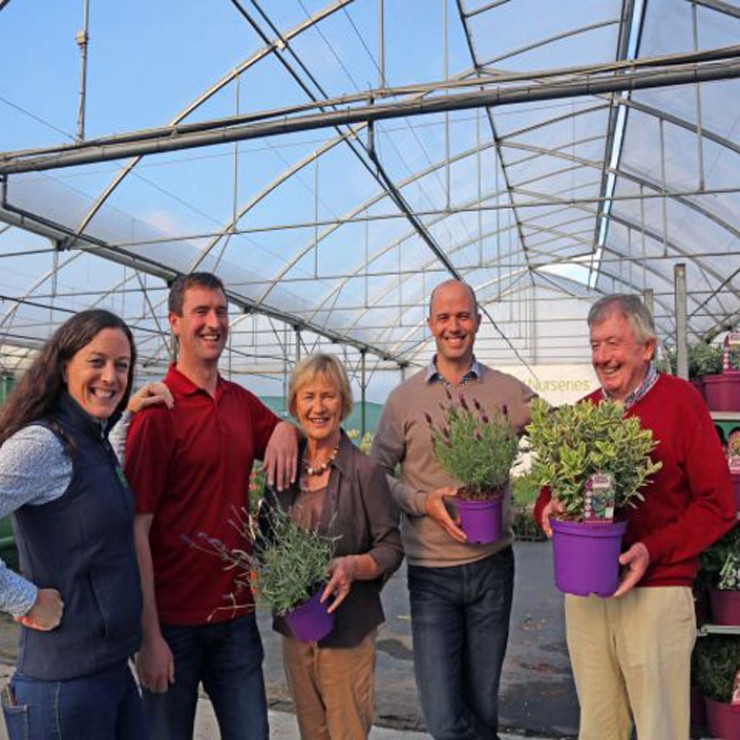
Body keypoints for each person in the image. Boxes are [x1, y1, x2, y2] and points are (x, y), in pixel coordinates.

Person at [533, 294, 736, 740]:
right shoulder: (584, 413)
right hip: (588, 596)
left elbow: (718, 504)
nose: (602, 357)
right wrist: (547, 508)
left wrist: (652, 550)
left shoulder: (681, 402)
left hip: (657, 593)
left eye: (613, 343)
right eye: (594, 345)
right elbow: (550, 493)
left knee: (659, 727)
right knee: (598, 727)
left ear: (646, 348)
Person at [123, 272, 299, 740]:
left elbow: (284, 433)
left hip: (236, 617)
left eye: (221, 312)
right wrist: (149, 637)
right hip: (173, 624)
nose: (213, 322)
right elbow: (136, 529)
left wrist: (285, 427)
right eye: (201, 311)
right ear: (175, 323)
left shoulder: (240, 403)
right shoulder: (158, 414)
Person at [371, 279, 536, 740]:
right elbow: (374, 473)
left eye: (463, 316)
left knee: (483, 709)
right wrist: (421, 501)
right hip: (431, 575)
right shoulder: (404, 400)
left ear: (478, 322)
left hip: (491, 569)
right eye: (444, 317)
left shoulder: (507, 390)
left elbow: (560, 435)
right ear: (430, 325)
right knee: (445, 720)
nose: (454, 326)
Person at [0, 310, 148, 739]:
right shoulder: (43, 444)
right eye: (96, 361)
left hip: (111, 674)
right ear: (65, 367)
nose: (111, 376)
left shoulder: (92, 440)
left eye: (121, 366)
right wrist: (23, 599)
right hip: (62, 688)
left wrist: (131, 413)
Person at [266, 353, 403, 740]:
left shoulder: (364, 471)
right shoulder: (283, 469)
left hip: (348, 630)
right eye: (308, 396)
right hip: (297, 628)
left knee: (345, 732)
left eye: (328, 396)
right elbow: (265, 539)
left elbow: (391, 545)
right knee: (313, 731)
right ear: (294, 404)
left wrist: (351, 567)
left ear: (343, 403)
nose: (318, 407)